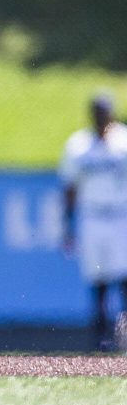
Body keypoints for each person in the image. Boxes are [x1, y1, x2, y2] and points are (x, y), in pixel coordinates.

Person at [60, 93, 127, 350]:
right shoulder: (79, 145)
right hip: (93, 215)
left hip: (120, 214)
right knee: (97, 278)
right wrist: (68, 225)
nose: (101, 119)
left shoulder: (123, 141)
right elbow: (70, 188)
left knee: (124, 277)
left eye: (105, 113)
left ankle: (123, 335)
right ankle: (101, 339)